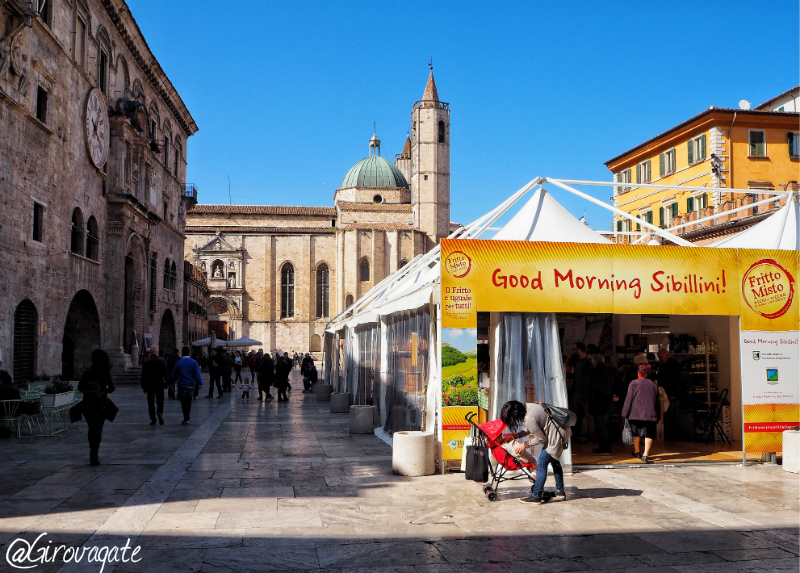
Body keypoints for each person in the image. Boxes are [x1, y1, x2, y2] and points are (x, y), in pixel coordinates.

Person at [499, 400, 570, 504]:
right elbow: (532, 427)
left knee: (542, 462)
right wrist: (518, 435)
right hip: (559, 431)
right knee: (554, 460)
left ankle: (536, 496)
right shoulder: (528, 406)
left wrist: (525, 445)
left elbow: (541, 438)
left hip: (557, 435)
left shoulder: (528, 418)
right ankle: (560, 492)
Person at [77, 349, 116, 466]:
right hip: (101, 404)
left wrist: (89, 391)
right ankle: (94, 454)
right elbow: (112, 388)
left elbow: (80, 388)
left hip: (88, 404)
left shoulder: (87, 372)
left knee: (91, 428)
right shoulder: (105, 372)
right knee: (98, 429)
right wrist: (103, 391)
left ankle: (92, 452)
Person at [621, 362, 661, 464]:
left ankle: (637, 451)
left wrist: (625, 413)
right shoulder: (654, 385)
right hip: (650, 414)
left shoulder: (633, 383)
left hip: (635, 413)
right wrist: (659, 416)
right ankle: (646, 455)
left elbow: (629, 399)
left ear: (639, 372)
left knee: (636, 433)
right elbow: (657, 402)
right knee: (649, 434)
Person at [588, 352, 615, 455]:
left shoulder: (596, 372)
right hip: (607, 402)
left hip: (600, 402)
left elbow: (596, 387)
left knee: (601, 426)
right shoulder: (608, 370)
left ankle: (604, 448)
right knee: (606, 426)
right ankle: (605, 446)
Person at [172, 346, 203, 424]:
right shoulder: (194, 362)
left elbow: (174, 374)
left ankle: (186, 418)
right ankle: (187, 417)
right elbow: (197, 374)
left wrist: (172, 382)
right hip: (191, 385)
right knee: (189, 401)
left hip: (182, 384)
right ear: (189, 353)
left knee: (183, 402)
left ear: (182, 353)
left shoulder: (178, 363)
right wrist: (200, 383)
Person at [656, 348, 682, 440]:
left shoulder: (673, 366)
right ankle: (669, 436)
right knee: (667, 415)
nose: (659, 359)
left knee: (673, 416)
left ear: (667, 355)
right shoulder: (663, 365)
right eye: (658, 357)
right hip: (666, 394)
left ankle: (674, 437)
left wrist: (674, 393)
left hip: (673, 395)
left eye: (661, 357)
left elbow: (678, 381)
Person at [141, 345, 169, 426]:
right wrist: (167, 383)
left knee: (151, 402)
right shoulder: (162, 361)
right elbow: (165, 374)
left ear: (150, 353)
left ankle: (153, 418)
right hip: (160, 384)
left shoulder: (146, 362)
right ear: (157, 352)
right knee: (160, 401)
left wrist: (144, 387)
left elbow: (143, 375)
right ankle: (160, 413)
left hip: (150, 384)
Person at [571, 342, 593, 441]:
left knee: (587, 414)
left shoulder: (588, 361)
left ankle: (589, 435)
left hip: (584, 390)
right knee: (574, 412)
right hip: (577, 389)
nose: (574, 351)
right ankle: (576, 433)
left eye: (575, 349)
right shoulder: (577, 360)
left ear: (579, 349)